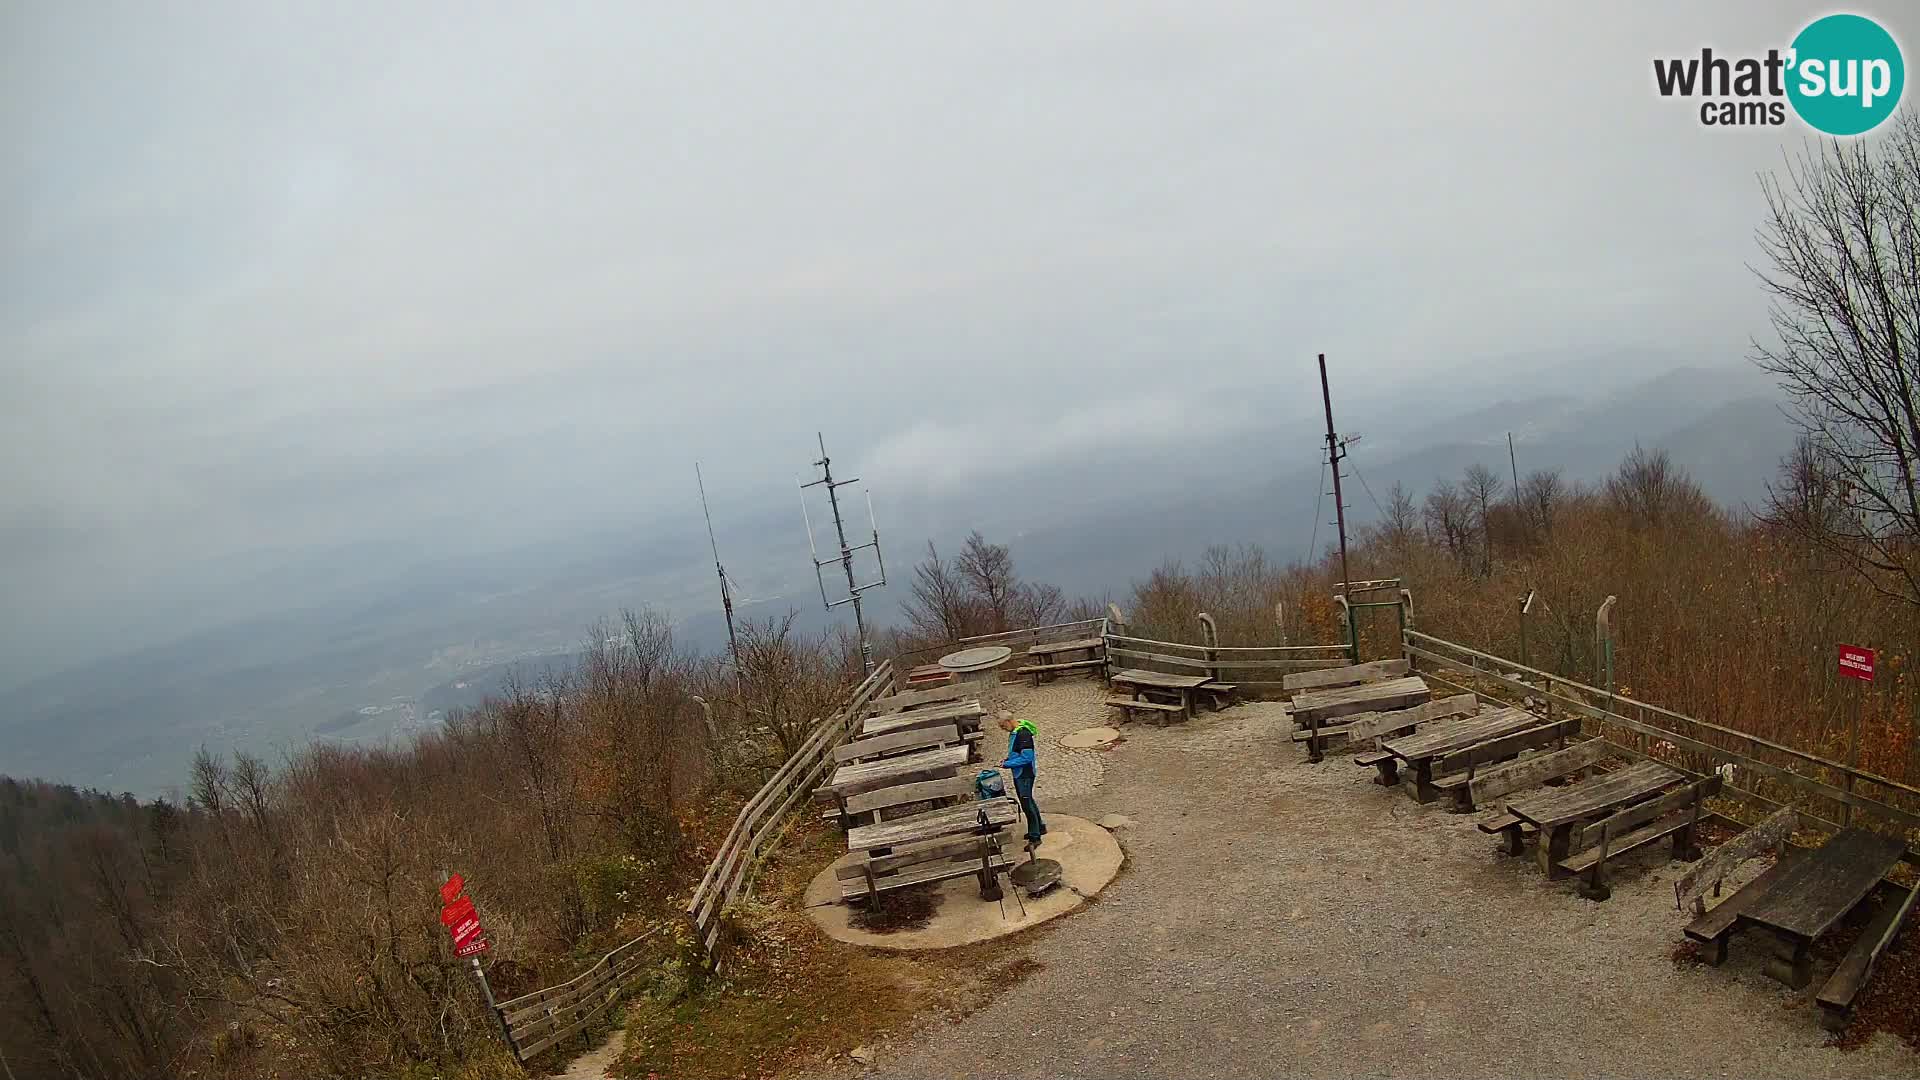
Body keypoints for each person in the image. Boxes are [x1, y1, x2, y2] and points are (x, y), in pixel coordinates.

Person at [997, 712, 1046, 849]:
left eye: (1002, 726)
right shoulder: (1016, 732)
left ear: (1008, 721)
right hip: (1020, 773)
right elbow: (1017, 753)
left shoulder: (1023, 735)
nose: (1002, 729)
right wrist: (1009, 759)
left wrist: (1007, 765)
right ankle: (1040, 827)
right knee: (1029, 800)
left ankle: (1035, 837)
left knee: (1026, 804)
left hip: (1024, 774)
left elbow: (1026, 758)